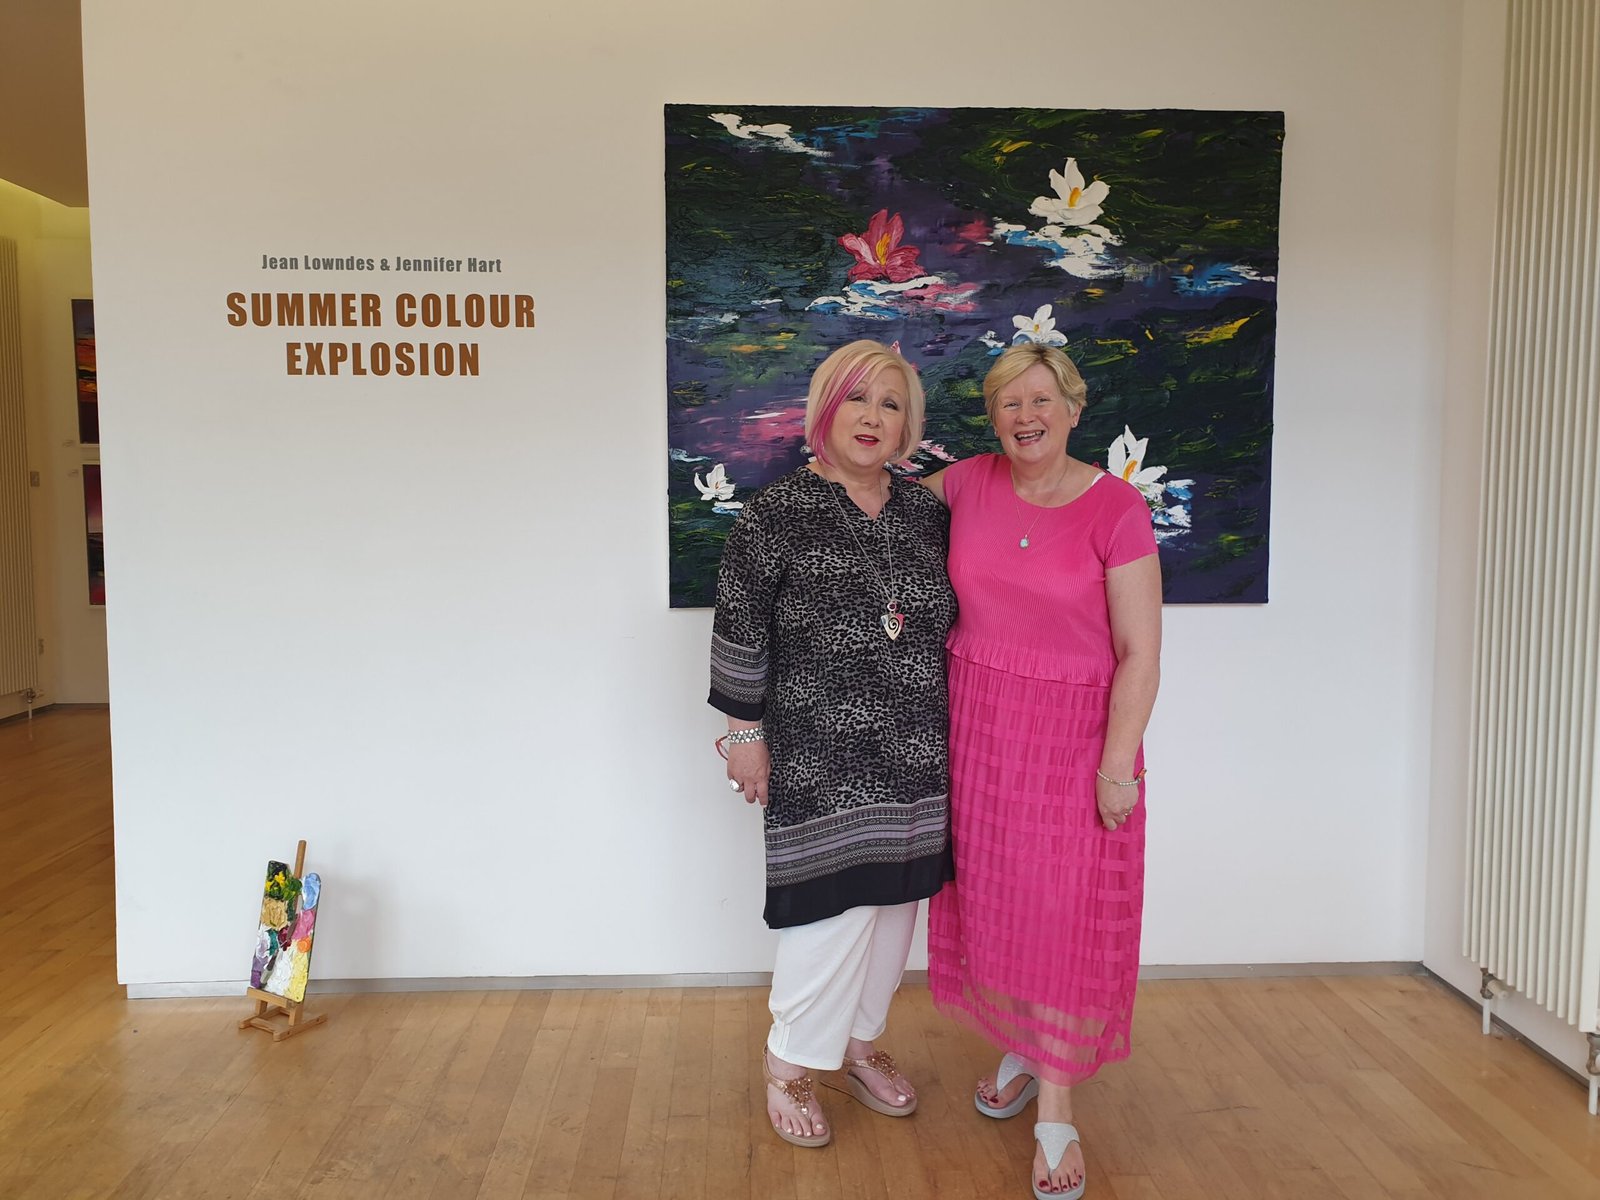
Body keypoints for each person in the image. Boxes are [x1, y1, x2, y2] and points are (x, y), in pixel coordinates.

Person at [923, 343, 1162, 1199]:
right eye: (1008, 403)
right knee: (1003, 903)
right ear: (992, 417)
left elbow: (1140, 653)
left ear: (1072, 408)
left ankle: (1055, 1108)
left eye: (1040, 400)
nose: (1025, 417)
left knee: (1062, 913)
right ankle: (1025, 1047)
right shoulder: (964, 485)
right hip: (979, 729)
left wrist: (1117, 764)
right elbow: (873, 511)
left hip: (1074, 740)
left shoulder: (1116, 508)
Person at [709, 339, 958, 1147]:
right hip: (818, 755)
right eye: (858, 398)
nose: (872, 417)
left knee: (893, 909)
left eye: (890, 404)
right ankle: (789, 1061)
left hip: (916, 752)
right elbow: (739, 629)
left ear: (907, 425)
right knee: (828, 914)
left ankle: (858, 1043)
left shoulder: (926, 514)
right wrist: (744, 735)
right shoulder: (774, 514)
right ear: (826, 408)